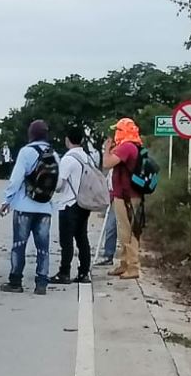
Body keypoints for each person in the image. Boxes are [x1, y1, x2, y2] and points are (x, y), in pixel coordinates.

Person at [0, 120, 59, 295]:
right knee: (43, 248)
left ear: (31, 134)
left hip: (24, 206)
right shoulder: (54, 154)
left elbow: (16, 179)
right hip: (45, 208)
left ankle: (15, 282)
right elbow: (58, 182)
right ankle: (41, 283)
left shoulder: (26, 152)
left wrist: (7, 200)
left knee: (19, 245)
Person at [49, 125, 93, 284]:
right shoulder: (87, 158)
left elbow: (59, 185)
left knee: (66, 241)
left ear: (67, 140)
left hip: (69, 204)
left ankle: (64, 272)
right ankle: (84, 273)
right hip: (84, 203)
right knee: (82, 239)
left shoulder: (68, 159)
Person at [102, 117, 144, 280]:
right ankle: (124, 263)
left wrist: (107, 149)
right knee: (124, 231)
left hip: (128, 196)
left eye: (118, 130)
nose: (115, 134)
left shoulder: (127, 147)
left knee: (128, 232)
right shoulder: (132, 146)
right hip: (126, 195)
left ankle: (133, 267)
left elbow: (107, 163)